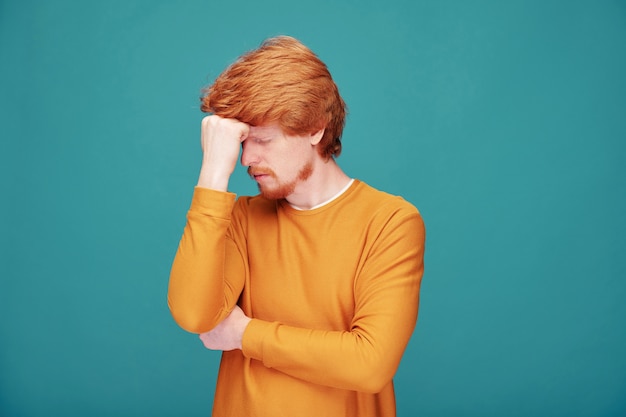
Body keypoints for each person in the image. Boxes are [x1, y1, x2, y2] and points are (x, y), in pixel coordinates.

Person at [168, 35, 425, 417]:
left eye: (263, 140)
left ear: (315, 130)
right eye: (241, 143)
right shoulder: (240, 217)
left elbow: (369, 364)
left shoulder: (390, 222)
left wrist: (244, 334)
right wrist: (212, 173)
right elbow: (194, 316)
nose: (246, 159)